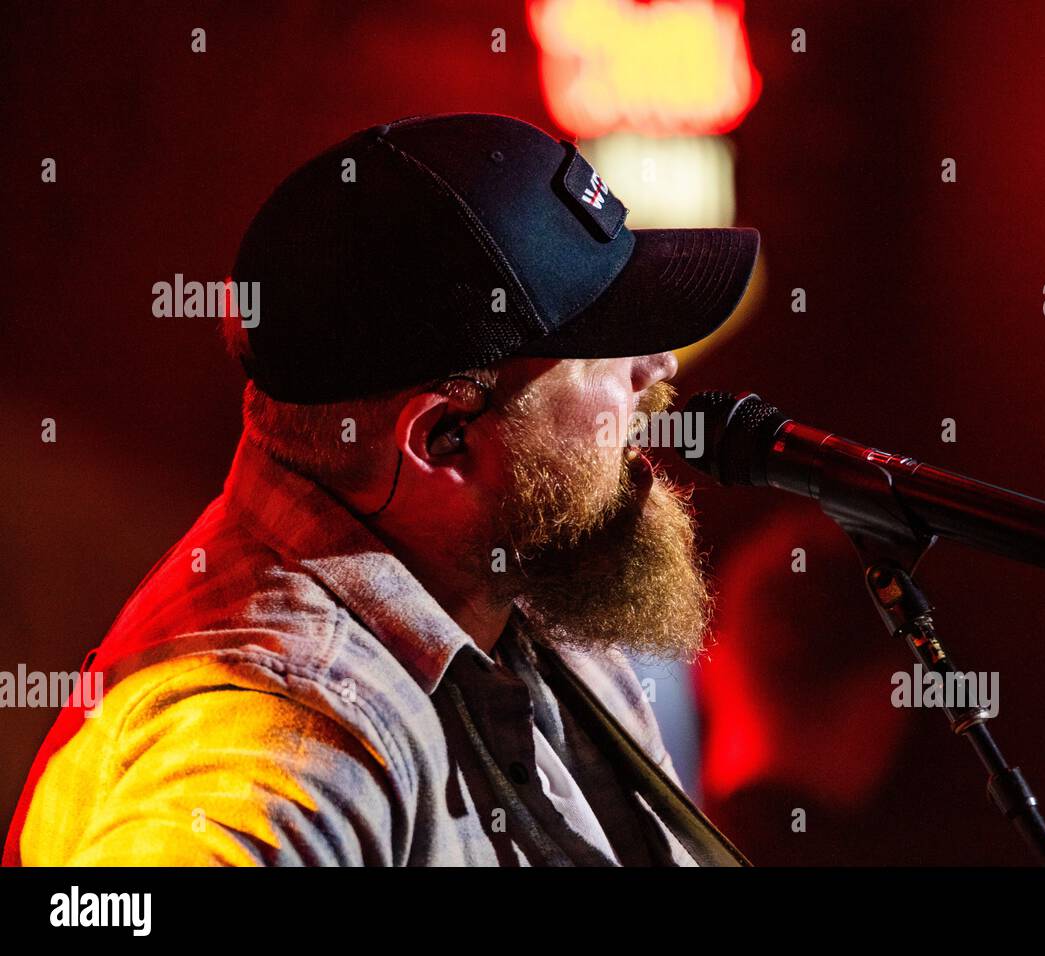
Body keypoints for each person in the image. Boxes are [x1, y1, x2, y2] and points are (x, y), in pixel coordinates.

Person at [5, 113, 759, 866]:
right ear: (444, 440)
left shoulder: (509, 579)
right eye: (601, 350)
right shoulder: (280, 741)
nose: (658, 366)